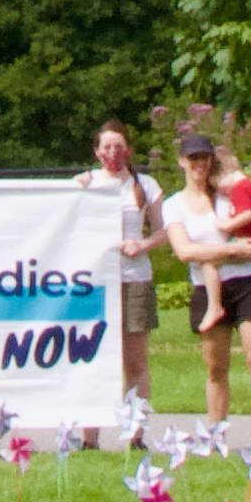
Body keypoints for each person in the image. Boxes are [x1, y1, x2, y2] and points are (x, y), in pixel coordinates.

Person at [165, 130, 251, 423]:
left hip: (248, 283)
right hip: (208, 287)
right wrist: (229, 251)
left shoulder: (229, 193)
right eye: (192, 158)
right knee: (216, 369)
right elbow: (184, 251)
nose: (199, 164)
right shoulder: (174, 204)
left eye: (204, 157)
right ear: (182, 162)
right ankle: (215, 434)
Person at [78, 122, 166, 437]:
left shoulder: (145, 185)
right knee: (96, 357)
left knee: (135, 362)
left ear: (128, 150)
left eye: (119, 147)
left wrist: (143, 245)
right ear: (97, 152)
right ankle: (90, 437)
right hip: (97, 282)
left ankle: (136, 433)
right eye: (107, 148)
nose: (113, 154)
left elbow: (163, 230)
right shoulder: (87, 183)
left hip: (135, 279)